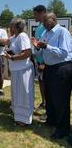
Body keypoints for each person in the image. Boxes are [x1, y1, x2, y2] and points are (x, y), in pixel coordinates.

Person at [32, 12, 72, 140]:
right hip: (49, 68)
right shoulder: (45, 33)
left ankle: (63, 129)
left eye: (45, 21)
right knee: (50, 97)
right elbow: (42, 50)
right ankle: (52, 120)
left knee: (61, 100)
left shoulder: (62, 32)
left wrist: (46, 46)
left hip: (62, 68)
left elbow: (63, 52)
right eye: (42, 21)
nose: (43, 23)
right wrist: (37, 47)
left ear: (54, 19)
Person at [4, 18, 34, 126]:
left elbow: (27, 53)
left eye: (11, 26)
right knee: (17, 94)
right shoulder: (14, 37)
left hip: (23, 70)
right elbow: (5, 41)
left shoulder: (22, 36)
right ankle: (18, 117)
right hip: (16, 70)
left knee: (24, 95)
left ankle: (24, 120)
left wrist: (12, 57)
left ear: (17, 27)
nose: (10, 28)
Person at [32, 5, 46, 111]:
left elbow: (46, 44)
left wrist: (44, 62)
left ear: (42, 13)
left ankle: (48, 106)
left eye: (35, 14)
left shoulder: (47, 26)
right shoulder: (40, 26)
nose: (34, 17)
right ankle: (44, 102)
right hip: (39, 59)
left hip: (45, 61)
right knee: (41, 82)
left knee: (46, 83)